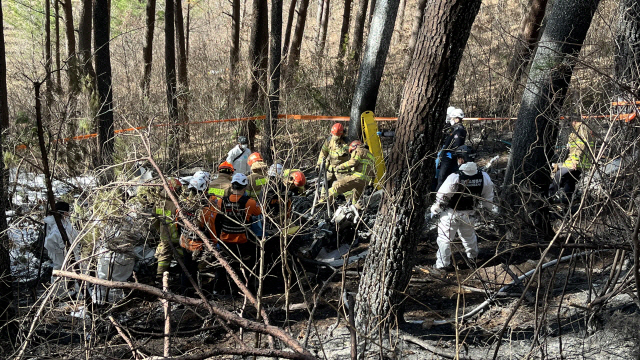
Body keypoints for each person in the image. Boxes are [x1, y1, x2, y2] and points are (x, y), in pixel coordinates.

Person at [430, 145, 494, 271]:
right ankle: (472, 259)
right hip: (470, 214)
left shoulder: (455, 177)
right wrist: (488, 210)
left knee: (444, 240)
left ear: (461, 159)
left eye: (458, 158)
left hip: (451, 214)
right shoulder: (483, 176)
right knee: (469, 237)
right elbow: (488, 197)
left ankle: (443, 266)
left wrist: (435, 209)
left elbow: (442, 196)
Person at [549, 118, 594, 204]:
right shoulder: (578, 132)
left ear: (574, 121)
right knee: (570, 179)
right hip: (579, 162)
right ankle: (567, 199)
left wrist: (575, 161)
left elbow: (580, 148)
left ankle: (550, 196)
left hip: (577, 163)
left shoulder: (582, 131)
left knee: (559, 175)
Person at [326, 140, 376, 208]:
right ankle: (354, 211)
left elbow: (353, 162)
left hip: (357, 177)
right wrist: (371, 183)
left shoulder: (358, 150)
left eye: (351, 151)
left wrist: (340, 166)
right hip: (365, 181)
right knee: (356, 198)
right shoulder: (371, 155)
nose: (352, 153)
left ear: (354, 146)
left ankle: (326, 206)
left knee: (335, 187)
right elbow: (372, 170)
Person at [154, 178, 184, 283]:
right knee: (179, 253)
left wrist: (160, 231)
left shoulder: (159, 201)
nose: (180, 192)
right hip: (176, 235)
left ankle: (160, 275)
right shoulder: (176, 203)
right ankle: (179, 272)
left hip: (164, 234)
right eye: (179, 189)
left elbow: (155, 219)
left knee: (165, 254)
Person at [44, 201, 80, 284]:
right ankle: (59, 294)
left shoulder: (63, 222)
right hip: (61, 254)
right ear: (64, 212)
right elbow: (49, 242)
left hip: (68, 252)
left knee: (69, 270)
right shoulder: (55, 225)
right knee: (60, 270)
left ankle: (70, 292)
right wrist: (61, 250)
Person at [435, 107, 467, 191]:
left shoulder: (459, 130)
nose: (451, 119)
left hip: (449, 157)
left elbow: (455, 145)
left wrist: (448, 154)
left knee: (442, 177)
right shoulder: (455, 129)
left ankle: (437, 196)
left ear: (457, 118)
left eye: (452, 118)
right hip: (449, 156)